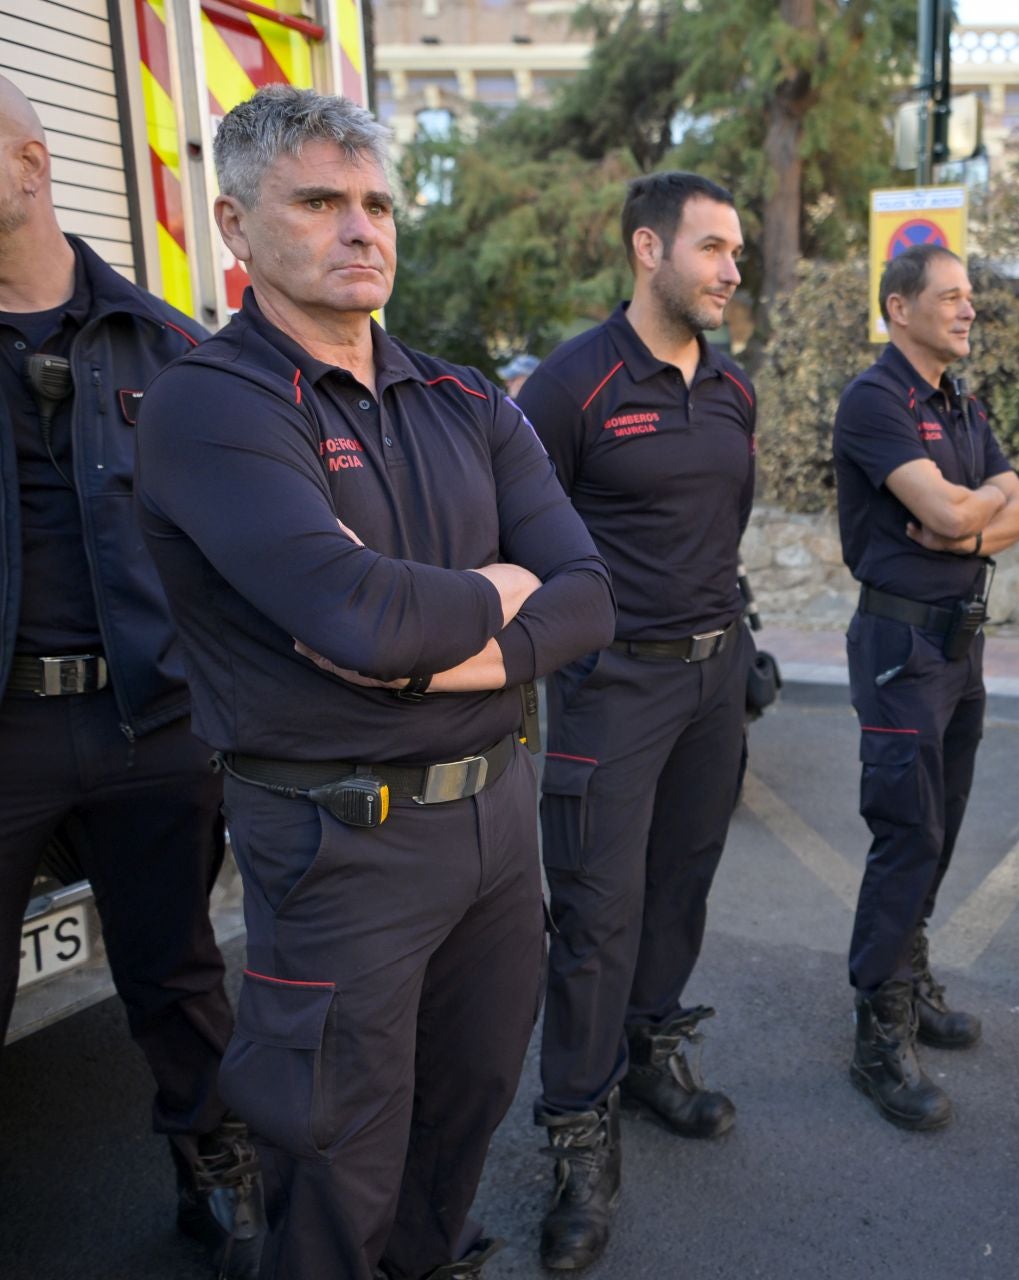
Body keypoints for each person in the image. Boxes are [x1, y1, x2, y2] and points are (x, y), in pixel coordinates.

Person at [136, 87, 615, 1279]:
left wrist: (428, 650)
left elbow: (588, 594)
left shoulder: (464, 397)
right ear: (236, 226)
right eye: (319, 202)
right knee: (336, 1152)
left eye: (378, 204)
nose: (361, 228)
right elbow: (358, 615)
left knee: (466, 1106)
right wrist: (501, 587)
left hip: (495, 821)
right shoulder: (211, 402)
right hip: (341, 841)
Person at [0, 74, 263, 1276]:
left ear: (31, 164)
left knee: (177, 971)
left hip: (148, 717)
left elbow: (240, 544)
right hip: (7, 727)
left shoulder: (169, 346)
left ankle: (215, 1165)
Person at [512, 171, 757, 1270]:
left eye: (737, 251)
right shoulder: (571, 385)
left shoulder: (734, 388)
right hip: (612, 688)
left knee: (681, 885)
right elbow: (519, 537)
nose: (731, 269)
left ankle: (650, 1051)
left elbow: (725, 523)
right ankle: (577, 1127)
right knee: (596, 912)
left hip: (715, 678)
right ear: (648, 249)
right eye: (713, 248)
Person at [831, 243, 1019, 1130]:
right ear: (899, 308)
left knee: (940, 827)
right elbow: (961, 505)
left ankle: (908, 980)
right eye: (950, 296)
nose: (967, 309)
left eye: (969, 295)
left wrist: (964, 528)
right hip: (900, 648)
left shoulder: (962, 404)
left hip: (960, 643)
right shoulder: (875, 400)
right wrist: (970, 510)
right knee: (907, 831)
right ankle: (878, 1032)